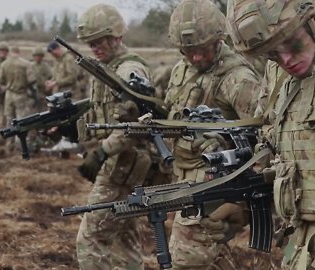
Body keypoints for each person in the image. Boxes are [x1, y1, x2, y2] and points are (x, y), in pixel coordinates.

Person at [207, 0, 315, 269]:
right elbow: (276, 148)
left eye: (292, 44)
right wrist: (247, 204)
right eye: (271, 54)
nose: (285, 60)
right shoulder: (277, 78)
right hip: (306, 250)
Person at [163, 0, 262, 269]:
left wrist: (241, 202)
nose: (196, 58)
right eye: (188, 51)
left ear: (219, 39)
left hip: (215, 187)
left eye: (203, 50)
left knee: (184, 264)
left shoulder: (238, 78)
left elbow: (266, 137)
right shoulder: (181, 70)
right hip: (185, 180)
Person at [74, 4, 155, 269]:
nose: (94, 48)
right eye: (90, 43)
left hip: (122, 166)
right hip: (118, 164)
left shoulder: (128, 71)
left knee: (90, 240)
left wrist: (101, 152)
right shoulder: (105, 68)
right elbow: (102, 113)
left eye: (99, 42)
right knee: (124, 239)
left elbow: (138, 124)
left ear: (116, 36)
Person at [0, 46, 36, 153]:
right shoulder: (26, 64)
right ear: (19, 52)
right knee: (21, 122)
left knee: (9, 120)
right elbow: (32, 80)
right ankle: (20, 147)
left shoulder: (4, 64)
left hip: (9, 95)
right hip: (21, 94)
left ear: (10, 52)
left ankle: (9, 146)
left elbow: (0, 80)